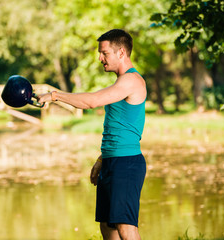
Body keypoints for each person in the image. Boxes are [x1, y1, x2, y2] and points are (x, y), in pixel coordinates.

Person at [37, 29, 146, 240]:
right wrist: (102, 158)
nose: (100, 58)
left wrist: (55, 96)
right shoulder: (120, 83)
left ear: (121, 52)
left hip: (127, 164)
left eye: (104, 53)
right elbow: (119, 128)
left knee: (125, 227)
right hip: (113, 161)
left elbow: (91, 102)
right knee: (108, 227)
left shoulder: (131, 81)